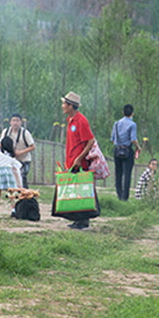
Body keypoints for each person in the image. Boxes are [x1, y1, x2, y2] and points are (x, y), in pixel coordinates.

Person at [58, 92, 97, 230]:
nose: (62, 106)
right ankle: (77, 220)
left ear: (70, 106)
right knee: (75, 192)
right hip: (71, 161)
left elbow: (90, 140)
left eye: (64, 104)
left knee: (82, 191)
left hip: (80, 162)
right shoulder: (70, 120)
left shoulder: (81, 121)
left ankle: (84, 221)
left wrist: (80, 157)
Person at [0, 132, 23, 218]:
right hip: (8, 173)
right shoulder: (11, 156)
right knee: (11, 193)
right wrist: (19, 184)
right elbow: (17, 167)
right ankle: (13, 210)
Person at [110, 104, 138, 200]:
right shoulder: (132, 125)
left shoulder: (116, 123)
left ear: (123, 112)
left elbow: (113, 139)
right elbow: (133, 139)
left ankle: (119, 194)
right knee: (127, 174)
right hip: (127, 151)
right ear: (132, 113)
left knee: (118, 173)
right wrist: (138, 147)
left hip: (117, 150)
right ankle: (124, 197)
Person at [1, 112, 35, 188]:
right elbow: (1, 143)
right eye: (13, 120)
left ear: (21, 122)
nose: (15, 123)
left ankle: (25, 194)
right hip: (11, 160)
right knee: (12, 178)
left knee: (22, 176)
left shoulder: (25, 133)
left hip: (24, 159)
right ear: (10, 122)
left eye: (17, 121)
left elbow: (32, 146)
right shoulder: (6, 132)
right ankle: (15, 194)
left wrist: (20, 152)